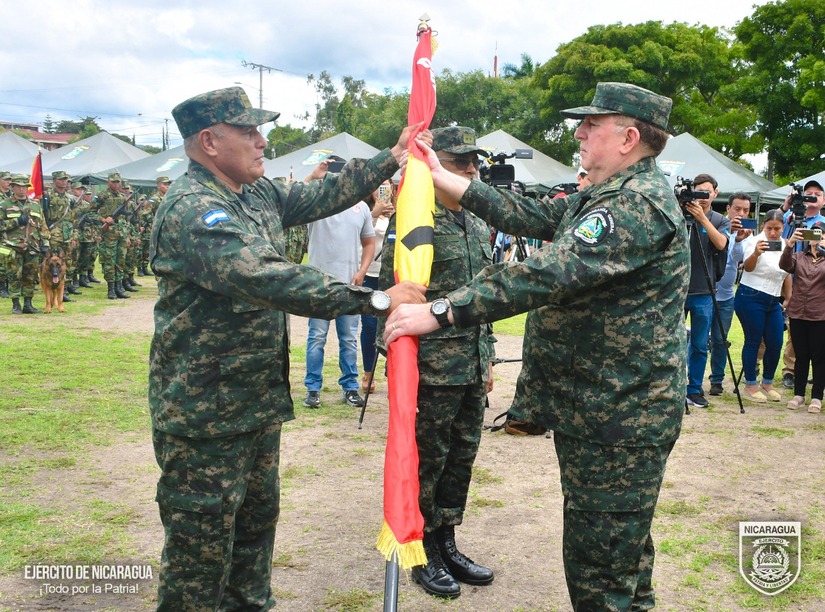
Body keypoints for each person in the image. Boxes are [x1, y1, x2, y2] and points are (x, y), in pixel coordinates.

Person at [385, 82, 689, 610]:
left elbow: (547, 272)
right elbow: (533, 216)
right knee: (617, 557)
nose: (579, 133)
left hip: (619, 416)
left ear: (629, 138)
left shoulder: (634, 204)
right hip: (603, 410)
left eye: (592, 124)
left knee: (603, 570)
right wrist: (442, 176)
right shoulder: (606, 194)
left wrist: (441, 310)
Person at [148, 86, 425, 611]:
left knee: (254, 534)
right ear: (209, 141)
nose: (262, 141)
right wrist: (375, 298)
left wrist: (394, 155)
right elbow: (266, 277)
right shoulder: (193, 209)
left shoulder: (255, 193)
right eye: (248, 131)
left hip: (254, 402)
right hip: (205, 415)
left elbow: (327, 195)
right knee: (199, 558)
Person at [379, 127, 496, 599]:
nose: (470, 169)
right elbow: (393, 295)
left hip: (470, 364)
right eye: (459, 161)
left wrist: (487, 358)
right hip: (431, 368)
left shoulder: (478, 221)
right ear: (434, 163)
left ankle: (447, 541)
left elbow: (486, 297)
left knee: (461, 458)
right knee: (428, 461)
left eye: (474, 162)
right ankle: (421, 549)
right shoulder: (415, 218)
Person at [302, 157, 376, 409]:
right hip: (319, 284)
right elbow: (289, 201)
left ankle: (350, 387)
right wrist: (313, 175)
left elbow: (369, 243)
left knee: (348, 339)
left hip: (349, 284)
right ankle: (313, 388)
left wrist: (362, 270)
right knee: (316, 337)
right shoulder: (316, 202)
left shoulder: (361, 207)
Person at [733, 209, 790, 402]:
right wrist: (756, 253)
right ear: (763, 226)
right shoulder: (753, 241)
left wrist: (788, 295)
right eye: (769, 228)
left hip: (774, 300)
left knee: (776, 342)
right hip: (751, 296)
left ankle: (767, 382)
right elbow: (748, 268)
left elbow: (787, 272)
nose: (773, 233)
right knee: (754, 340)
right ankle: (750, 384)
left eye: (777, 229)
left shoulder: (785, 244)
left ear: (783, 227)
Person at [683, 173, 730, 407]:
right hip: (678, 289)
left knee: (700, 345)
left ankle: (694, 389)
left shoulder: (719, 219)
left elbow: (721, 243)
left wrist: (702, 218)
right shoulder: (680, 214)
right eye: (698, 191)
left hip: (704, 290)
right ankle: (671, 388)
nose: (702, 197)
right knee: (671, 342)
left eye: (707, 192)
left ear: (715, 193)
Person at [778, 179, 825, 389]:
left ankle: (816, 374)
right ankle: (790, 370)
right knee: (793, 329)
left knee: (815, 333)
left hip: (817, 283)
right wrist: (785, 207)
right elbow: (773, 231)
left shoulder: (822, 223)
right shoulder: (788, 217)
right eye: (808, 193)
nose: (812, 197)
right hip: (787, 274)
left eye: (817, 194)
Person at [708, 192, 752, 395]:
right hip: (706, 293)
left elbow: (737, 258)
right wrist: (730, 232)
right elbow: (717, 251)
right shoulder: (717, 224)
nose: (741, 213)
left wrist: (739, 239)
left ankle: (717, 379)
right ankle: (693, 380)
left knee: (720, 339)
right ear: (728, 209)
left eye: (746, 210)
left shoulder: (745, 233)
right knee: (699, 340)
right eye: (737, 209)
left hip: (726, 296)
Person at [780, 221, 825, 413]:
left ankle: (816, 396)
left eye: (822, 234)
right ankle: (798, 394)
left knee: (820, 357)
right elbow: (784, 265)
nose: (819, 237)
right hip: (798, 313)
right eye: (815, 234)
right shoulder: (799, 256)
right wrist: (790, 244)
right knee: (801, 355)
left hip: (820, 315)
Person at [360, 179, 394, 393]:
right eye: (379, 185)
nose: (382, 189)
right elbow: (359, 236)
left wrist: (394, 217)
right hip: (370, 274)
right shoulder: (364, 211)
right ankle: (368, 372)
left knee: (394, 325)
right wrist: (374, 213)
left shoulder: (399, 211)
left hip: (391, 275)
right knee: (370, 326)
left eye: (386, 185)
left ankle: (393, 371)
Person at [1, 174, 50, 314]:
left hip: (32, 246)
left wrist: (45, 242)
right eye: (18, 186)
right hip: (12, 246)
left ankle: (28, 304)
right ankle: (16, 304)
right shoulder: (4, 205)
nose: (22, 189)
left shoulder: (35, 204)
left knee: (30, 276)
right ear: (13, 187)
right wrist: (16, 221)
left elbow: (42, 225)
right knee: (14, 275)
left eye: (24, 186)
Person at [92, 172, 130, 299]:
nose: (116, 184)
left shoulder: (122, 197)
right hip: (108, 233)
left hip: (121, 233)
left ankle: (119, 287)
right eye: (113, 182)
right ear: (108, 182)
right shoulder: (101, 196)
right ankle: (111, 289)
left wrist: (127, 235)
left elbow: (126, 217)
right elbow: (90, 213)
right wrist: (103, 219)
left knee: (121, 260)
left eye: (118, 182)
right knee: (110, 261)